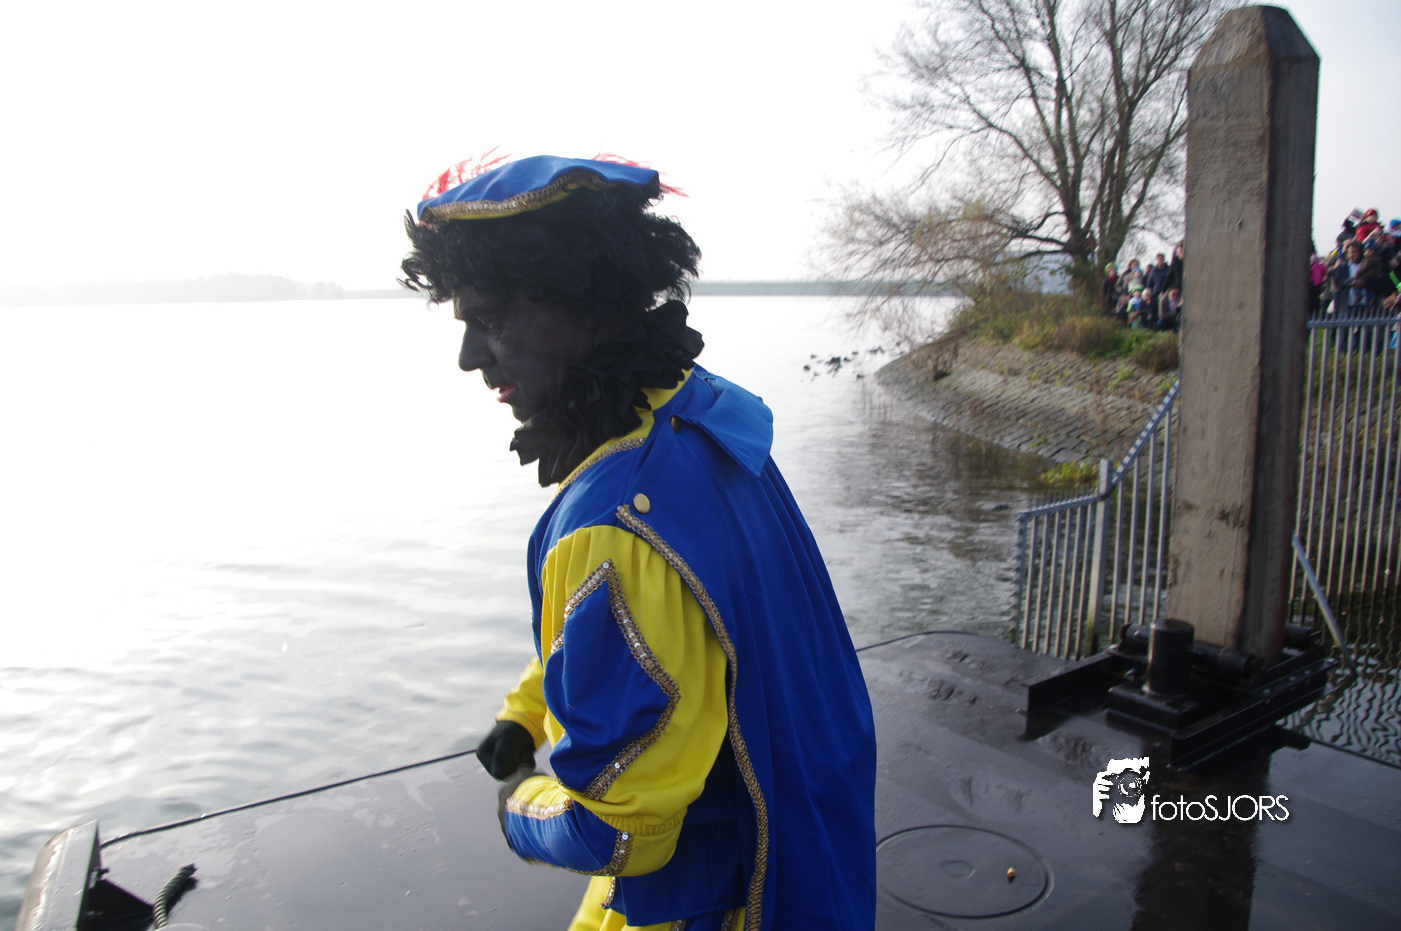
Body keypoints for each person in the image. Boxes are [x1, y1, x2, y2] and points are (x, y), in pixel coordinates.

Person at [399, 155, 878, 931]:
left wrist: (518, 808)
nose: (470, 357)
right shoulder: (699, 412)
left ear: (582, 302)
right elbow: (649, 629)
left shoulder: (613, 526)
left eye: (488, 319)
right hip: (814, 846)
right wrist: (526, 712)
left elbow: (619, 832)